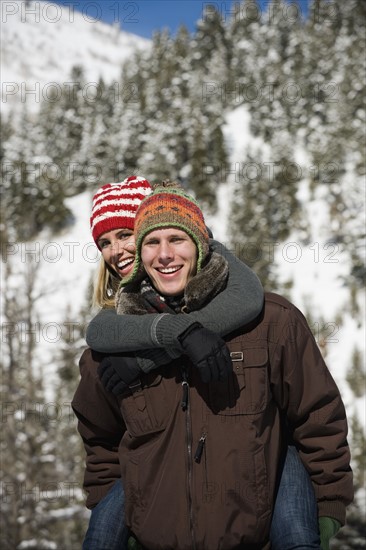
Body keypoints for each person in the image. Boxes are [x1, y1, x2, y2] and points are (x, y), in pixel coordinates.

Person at [73, 182, 353, 549]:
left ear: (201, 245)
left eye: (177, 239)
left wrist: (328, 505)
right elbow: (101, 441)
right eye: (151, 243)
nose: (164, 255)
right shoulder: (107, 352)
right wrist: (118, 519)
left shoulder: (271, 322)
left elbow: (317, 416)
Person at [75, 175, 264, 549]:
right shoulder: (115, 328)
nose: (116, 251)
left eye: (126, 235)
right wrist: (112, 512)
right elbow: (101, 440)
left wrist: (147, 360)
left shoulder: (229, 288)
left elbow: (247, 295)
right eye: (104, 242)